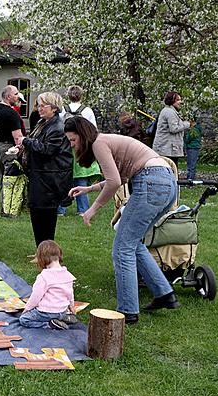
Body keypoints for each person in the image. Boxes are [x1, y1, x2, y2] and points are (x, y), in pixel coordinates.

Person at [64, 116, 180, 324]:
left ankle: (128, 311)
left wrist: (93, 209)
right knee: (133, 243)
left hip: (151, 183)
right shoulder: (106, 141)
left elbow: (114, 182)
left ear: (82, 135)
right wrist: (89, 189)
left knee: (122, 248)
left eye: (73, 140)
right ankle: (164, 294)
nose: (72, 146)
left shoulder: (99, 142)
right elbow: (118, 177)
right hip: (167, 182)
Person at [19, 92, 73, 246]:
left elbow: (47, 149)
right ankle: (41, 250)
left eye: (43, 105)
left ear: (54, 108)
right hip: (41, 177)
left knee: (45, 219)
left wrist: (26, 142)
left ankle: (47, 252)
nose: (39, 108)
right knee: (37, 216)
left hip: (49, 180)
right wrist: (23, 146)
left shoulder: (57, 127)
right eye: (38, 105)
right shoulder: (43, 123)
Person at [58, 85, 100, 216]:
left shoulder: (63, 110)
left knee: (65, 178)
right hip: (81, 147)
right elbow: (93, 129)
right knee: (81, 177)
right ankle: (82, 209)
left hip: (65, 147)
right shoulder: (87, 111)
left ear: (68, 96)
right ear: (81, 96)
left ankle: (61, 209)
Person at [19, 240, 78, 330]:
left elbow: (36, 297)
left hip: (46, 312)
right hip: (62, 310)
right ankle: (63, 318)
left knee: (24, 319)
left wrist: (27, 309)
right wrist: (71, 306)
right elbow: (70, 293)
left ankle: (49, 324)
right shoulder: (67, 275)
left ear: (41, 259)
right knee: (60, 313)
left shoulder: (44, 277)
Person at [0, 85, 26, 214]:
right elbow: (18, 137)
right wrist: (23, 148)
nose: (18, 97)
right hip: (9, 149)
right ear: (8, 97)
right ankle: (9, 209)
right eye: (16, 94)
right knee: (11, 179)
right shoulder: (11, 113)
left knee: (3, 178)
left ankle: (4, 206)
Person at [152, 91, 191, 166]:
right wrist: (187, 124)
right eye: (178, 100)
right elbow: (174, 128)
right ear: (171, 100)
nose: (180, 102)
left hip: (167, 148)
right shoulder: (170, 112)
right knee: (171, 169)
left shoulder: (169, 111)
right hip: (167, 149)